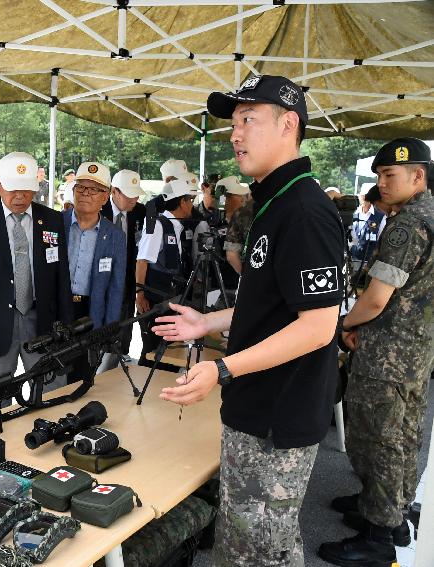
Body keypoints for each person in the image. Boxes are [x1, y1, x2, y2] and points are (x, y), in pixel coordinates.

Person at [152, 75, 345, 566]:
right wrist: (206, 323)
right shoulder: (275, 203)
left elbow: (317, 327)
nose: (235, 134)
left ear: (288, 124)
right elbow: (272, 307)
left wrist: (221, 369)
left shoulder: (304, 212)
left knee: (263, 551)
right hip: (257, 409)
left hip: (275, 421)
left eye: (248, 120)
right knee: (242, 545)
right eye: (233, 122)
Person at [319, 138, 434, 566]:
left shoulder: (407, 224)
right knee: (403, 433)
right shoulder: (429, 215)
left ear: (417, 176)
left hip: (387, 352)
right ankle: (391, 510)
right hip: (416, 351)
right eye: (379, 175)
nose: (381, 183)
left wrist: (340, 325)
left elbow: (375, 300)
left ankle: (378, 533)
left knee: (378, 439)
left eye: (389, 176)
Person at [0, 152, 72, 391]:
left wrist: (66, 324)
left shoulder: (52, 220)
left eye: (26, 190)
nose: (20, 196)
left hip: (42, 321)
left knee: (52, 391)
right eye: (13, 189)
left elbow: (62, 275)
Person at [62, 162, 126, 383]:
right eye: (81, 187)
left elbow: (116, 287)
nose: (86, 194)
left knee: (82, 377)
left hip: (91, 312)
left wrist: (109, 329)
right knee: (53, 379)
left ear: (105, 196)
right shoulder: (54, 224)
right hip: (59, 309)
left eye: (94, 190)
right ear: (73, 191)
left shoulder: (115, 236)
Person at [134, 179, 198, 366]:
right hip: (155, 299)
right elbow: (142, 260)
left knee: (167, 348)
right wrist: (140, 295)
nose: (191, 205)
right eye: (190, 200)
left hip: (170, 297)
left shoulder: (176, 226)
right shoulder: (158, 225)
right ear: (182, 201)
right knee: (154, 349)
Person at [99, 169, 146, 370]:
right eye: (129, 194)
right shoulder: (99, 212)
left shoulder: (142, 213)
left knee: (123, 331)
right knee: (102, 335)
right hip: (102, 285)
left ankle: (117, 367)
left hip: (127, 283)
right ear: (114, 191)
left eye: (136, 194)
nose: (134, 199)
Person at [191, 176, 250, 296]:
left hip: (241, 287)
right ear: (224, 199)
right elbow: (198, 259)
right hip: (217, 289)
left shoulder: (245, 222)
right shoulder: (206, 225)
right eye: (238, 195)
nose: (243, 199)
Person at [349, 183, 389, 274]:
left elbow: (380, 241)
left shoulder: (381, 216)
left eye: (366, 197)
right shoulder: (353, 213)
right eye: (362, 196)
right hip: (351, 259)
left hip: (368, 264)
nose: (363, 199)